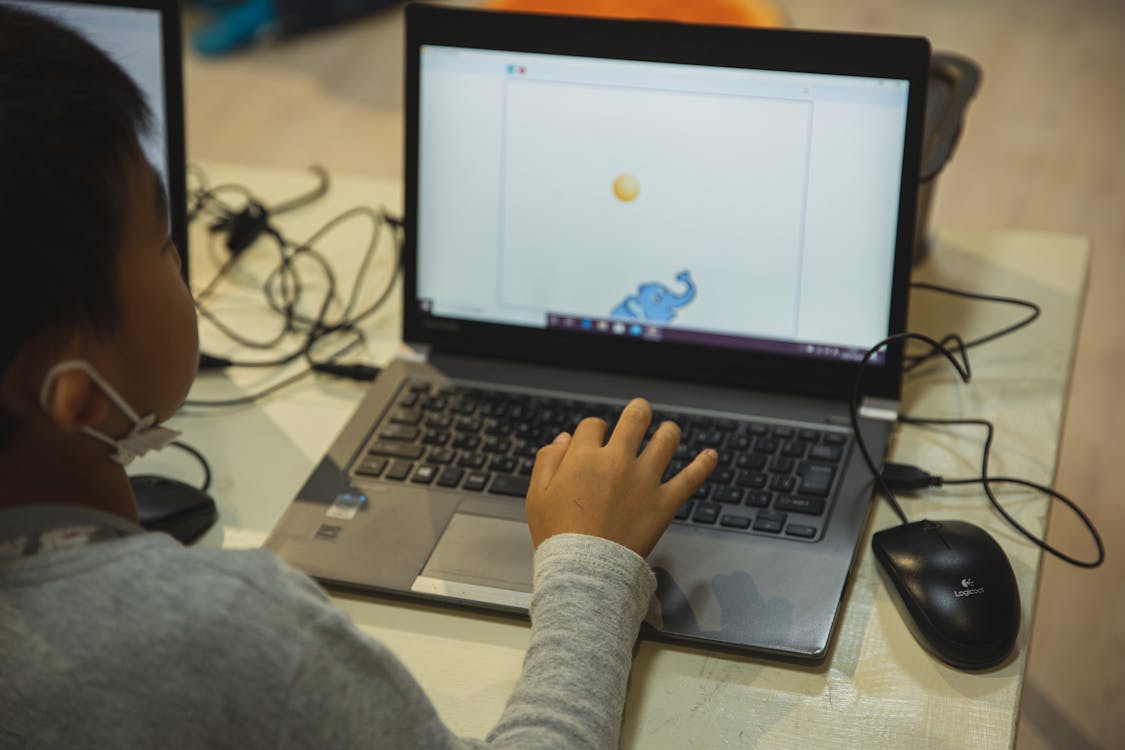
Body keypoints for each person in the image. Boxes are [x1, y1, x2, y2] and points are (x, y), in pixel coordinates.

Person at [0, 6, 717, 748]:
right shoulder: (230, 634)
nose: (181, 258)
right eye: (160, 241)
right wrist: (590, 566)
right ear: (76, 397)